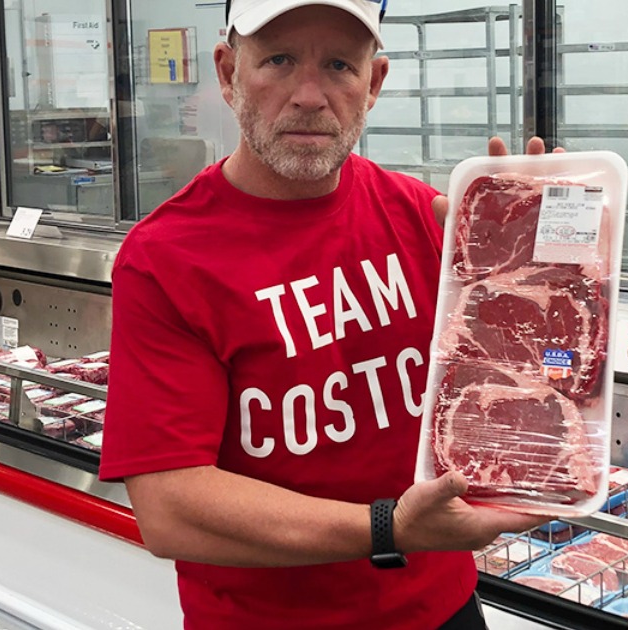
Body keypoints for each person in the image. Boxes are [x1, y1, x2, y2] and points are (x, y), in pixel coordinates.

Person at [97, 1, 560, 628]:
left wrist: (543, 281)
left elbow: (512, 386)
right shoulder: (165, 259)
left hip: (443, 609)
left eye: (339, 64)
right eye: (280, 59)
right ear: (229, 72)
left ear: (372, 85)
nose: (309, 95)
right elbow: (171, 506)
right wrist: (390, 528)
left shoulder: (423, 218)